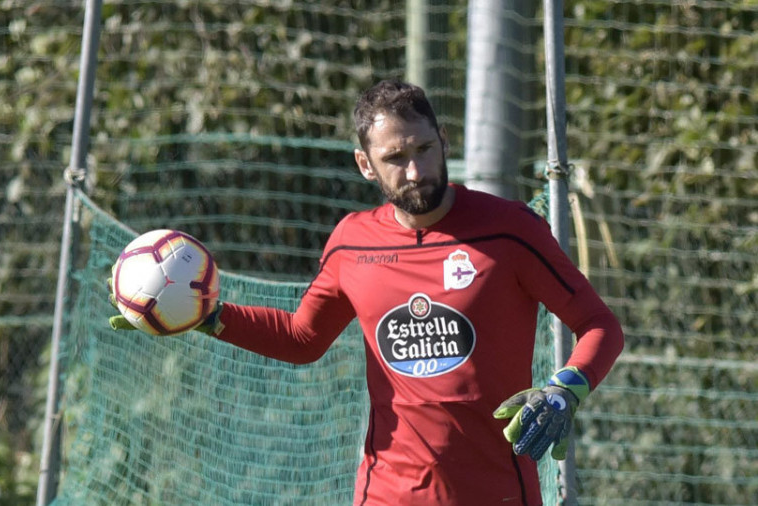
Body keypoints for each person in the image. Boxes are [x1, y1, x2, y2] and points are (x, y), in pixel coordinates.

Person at [114, 79, 624, 505]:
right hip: (386, 493)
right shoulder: (352, 242)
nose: (416, 171)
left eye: (425, 149)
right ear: (365, 164)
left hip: (498, 492)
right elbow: (301, 338)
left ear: (444, 140)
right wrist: (208, 316)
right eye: (395, 157)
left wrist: (565, 391)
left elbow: (600, 325)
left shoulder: (510, 231)